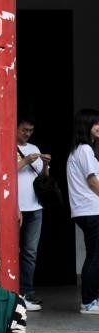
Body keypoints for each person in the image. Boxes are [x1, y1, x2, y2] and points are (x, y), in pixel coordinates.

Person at [67, 108, 99, 313]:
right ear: (86, 125)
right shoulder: (85, 149)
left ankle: (91, 299)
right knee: (95, 256)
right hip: (91, 209)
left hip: (85, 210)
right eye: (96, 123)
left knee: (93, 255)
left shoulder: (77, 150)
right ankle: (89, 301)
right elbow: (92, 181)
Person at [15, 116, 48, 312]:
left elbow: (44, 177)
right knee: (13, 250)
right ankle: (15, 291)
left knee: (30, 252)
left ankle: (27, 291)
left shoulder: (34, 147)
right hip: (15, 207)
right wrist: (26, 160)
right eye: (24, 130)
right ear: (15, 128)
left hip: (35, 206)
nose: (27, 134)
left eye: (30, 130)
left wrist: (45, 164)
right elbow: (5, 172)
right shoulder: (7, 147)